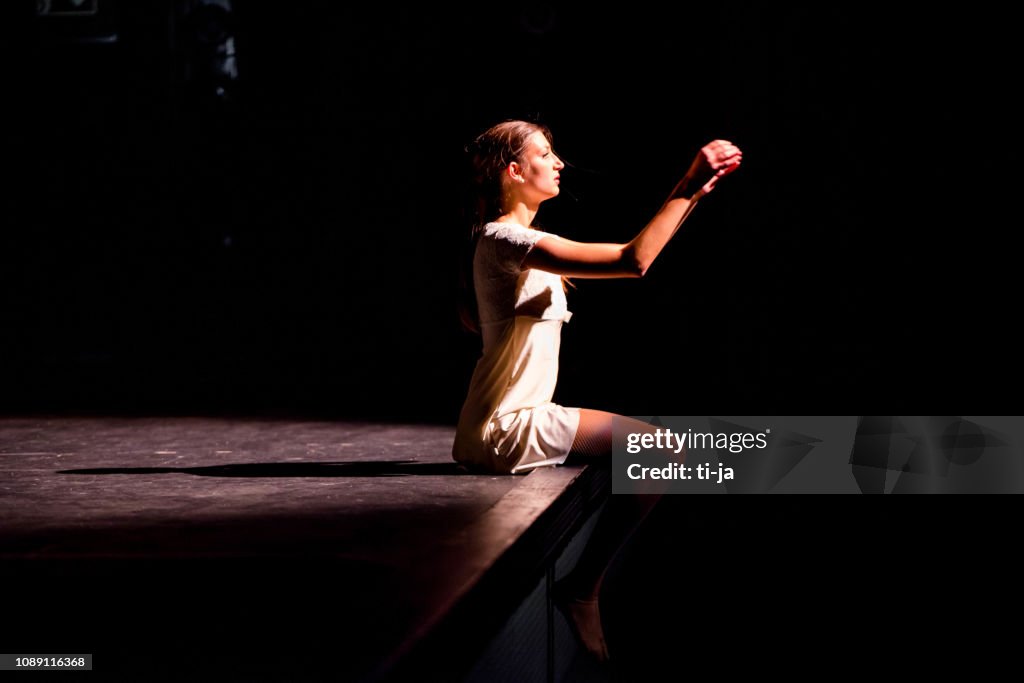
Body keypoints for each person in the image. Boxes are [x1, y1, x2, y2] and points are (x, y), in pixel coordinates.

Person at [453, 119, 742, 661]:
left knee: (661, 453)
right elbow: (634, 261)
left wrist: (696, 193)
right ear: (514, 172)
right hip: (508, 427)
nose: (559, 162)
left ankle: (583, 588)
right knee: (663, 452)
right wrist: (687, 180)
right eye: (545, 153)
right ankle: (584, 590)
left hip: (509, 420)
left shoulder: (507, 245)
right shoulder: (505, 240)